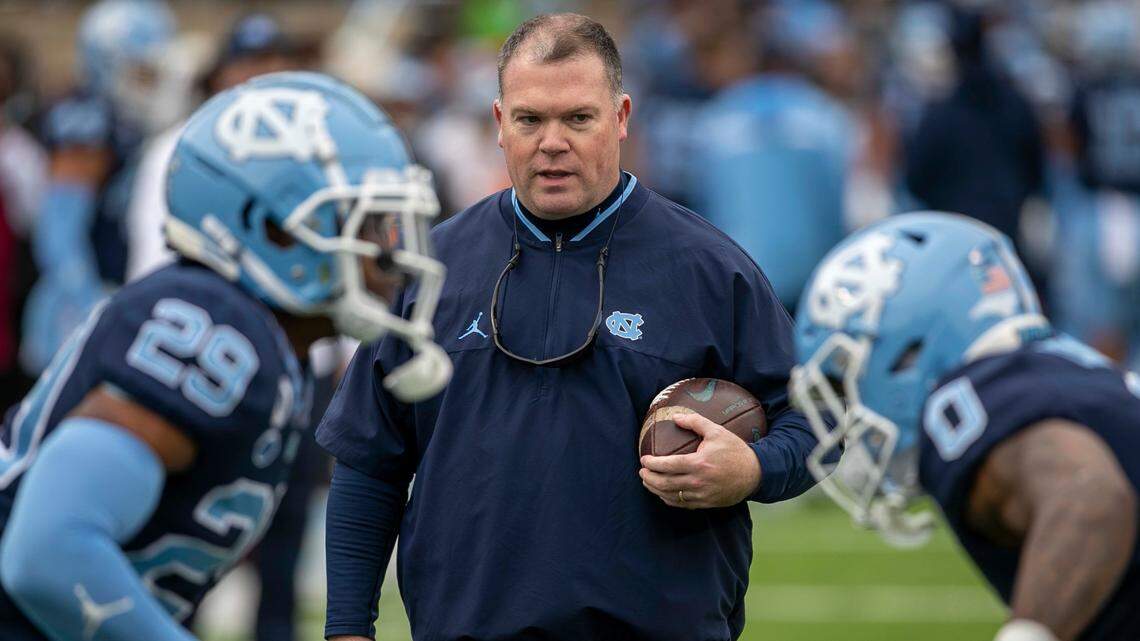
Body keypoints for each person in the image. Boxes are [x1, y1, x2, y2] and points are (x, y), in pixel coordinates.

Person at [317, 13, 827, 641]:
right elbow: (369, 463)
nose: (552, 141)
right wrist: (346, 627)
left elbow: (813, 420)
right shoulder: (431, 269)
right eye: (531, 120)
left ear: (620, 118)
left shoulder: (710, 268)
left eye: (578, 118)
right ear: (500, 125)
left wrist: (750, 469)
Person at [0, 71, 451, 641]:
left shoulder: (270, 343)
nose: (389, 253)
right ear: (274, 230)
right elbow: (48, 552)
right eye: (366, 223)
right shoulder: (214, 328)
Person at [791, 212, 1139, 641]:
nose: (851, 406)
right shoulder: (1067, 368)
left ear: (912, 348)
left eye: (850, 374)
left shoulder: (978, 395)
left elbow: (1091, 495)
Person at [20, 0, 195, 375]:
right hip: (82, 303)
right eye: (142, 72)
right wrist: (88, 302)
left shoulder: (127, 122)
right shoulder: (89, 122)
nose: (153, 84)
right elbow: (59, 231)